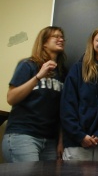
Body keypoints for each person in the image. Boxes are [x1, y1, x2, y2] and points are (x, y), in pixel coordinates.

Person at [2, 26, 67, 162]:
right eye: (55, 36)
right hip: (23, 135)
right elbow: (11, 98)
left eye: (62, 37)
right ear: (44, 42)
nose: (61, 39)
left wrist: (61, 141)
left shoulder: (62, 73)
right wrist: (38, 77)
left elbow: (61, 111)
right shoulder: (28, 65)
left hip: (50, 140)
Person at [60, 27, 98, 161]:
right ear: (92, 43)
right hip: (77, 144)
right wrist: (80, 136)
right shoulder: (78, 69)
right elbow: (67, 106)